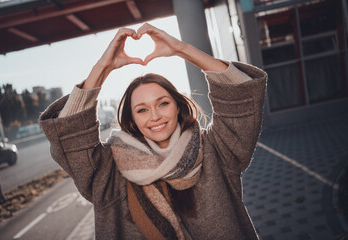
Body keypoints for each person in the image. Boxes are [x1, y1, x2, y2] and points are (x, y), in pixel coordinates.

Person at [39, 23, 267, 240]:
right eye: (142, 110)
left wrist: (182, 49)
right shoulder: (109, 170)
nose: (155, 116)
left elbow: (240, 93)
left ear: (178, 106)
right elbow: (70, 135)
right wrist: (102, 69)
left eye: (163, 103)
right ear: (132, 120)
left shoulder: (216, 149)